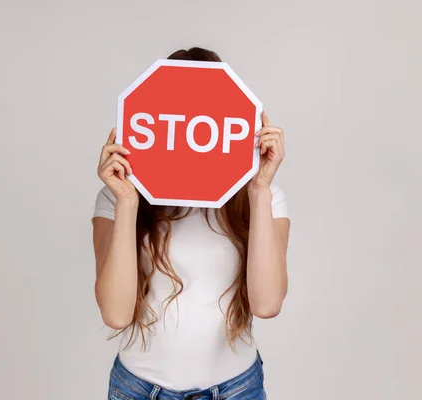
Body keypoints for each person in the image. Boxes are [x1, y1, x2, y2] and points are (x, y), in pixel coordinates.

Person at [92, 47, 290, 400]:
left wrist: (259, 189)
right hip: (138, 389)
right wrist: (126, 201)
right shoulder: (119, 197)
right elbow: (116, 313)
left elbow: (267, 304)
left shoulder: (263, 196)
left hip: (236, 389)